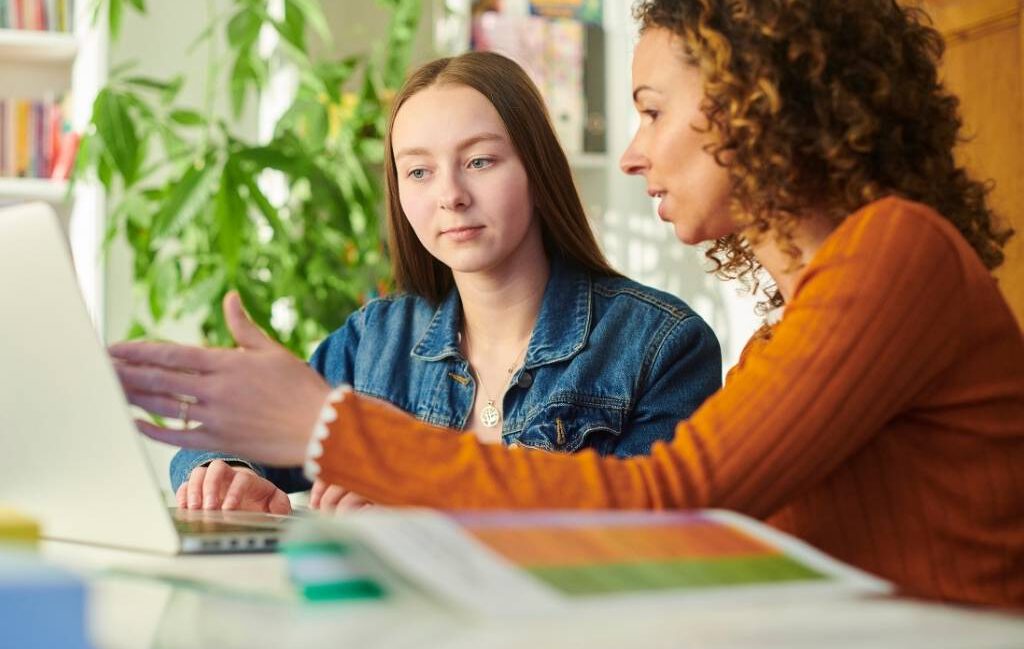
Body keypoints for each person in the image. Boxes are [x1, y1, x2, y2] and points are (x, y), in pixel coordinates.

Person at [111, 0, 1024, 608]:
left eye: (653, 110)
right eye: (417, 172)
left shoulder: (893, 252)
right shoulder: (806, 311)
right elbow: (715, 549)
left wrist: (332, 430)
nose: (632, 154)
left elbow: (665, 505)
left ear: (761, 104)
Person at [164, 50, 722, 515]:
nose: (449, 195)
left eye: (479, 161)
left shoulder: (660, 345)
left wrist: (424, 513)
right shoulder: (374, 342)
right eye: (419, 171)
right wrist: (227, 472)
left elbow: (649, 538)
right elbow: (226, 437)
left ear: (537, 168)